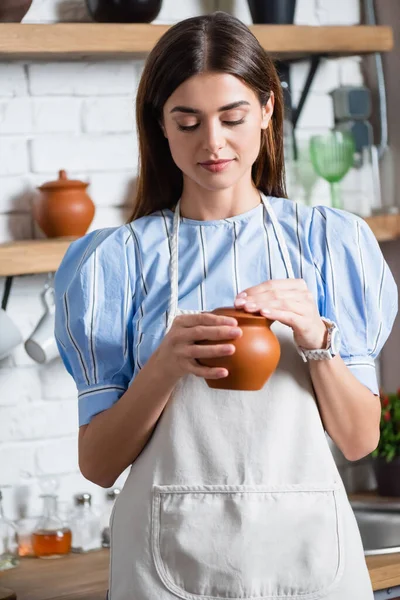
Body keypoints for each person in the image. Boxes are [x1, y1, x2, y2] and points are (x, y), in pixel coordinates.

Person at [54, 11, 397, 600]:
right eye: (186, 122)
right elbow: (100, 465)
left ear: (266, 111)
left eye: (232, 118)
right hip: (163, 560)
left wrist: (318, 341)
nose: (212, 143)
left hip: (309, 551)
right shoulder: (116, 262)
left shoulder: (328, 243)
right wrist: (164, 365)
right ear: (159, 126)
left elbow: (360, 439)